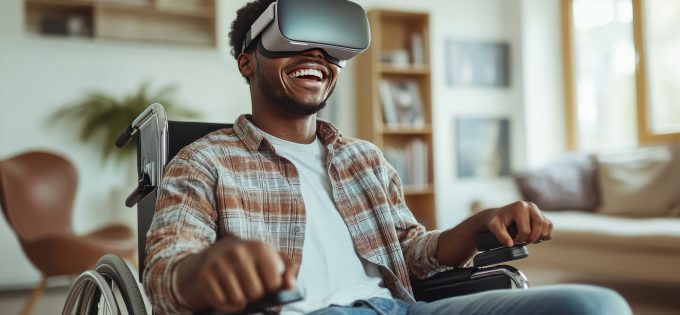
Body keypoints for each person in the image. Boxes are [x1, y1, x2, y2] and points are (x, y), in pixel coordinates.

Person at [143, 1, 632, 314]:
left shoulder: (364, 159)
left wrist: (475, 227)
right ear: (247, 60)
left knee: (595, 304)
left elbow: (412, 254)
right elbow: (165, 270)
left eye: (330, 48)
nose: (316, 55)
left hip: (396, 308)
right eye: (292, 41)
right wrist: (202, 272)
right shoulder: (203, 161)